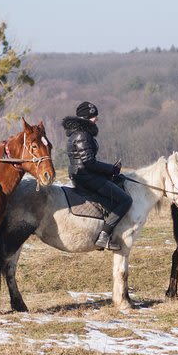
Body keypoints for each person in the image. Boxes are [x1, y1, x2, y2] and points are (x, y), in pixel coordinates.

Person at [62, 101, 132, 251]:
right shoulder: (82, 134)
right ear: (85, 118)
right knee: (126, 200)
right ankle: (104, 237)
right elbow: (89, 162)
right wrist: (111, 169)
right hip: (86, 177)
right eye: (93, 116)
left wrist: (111, 171)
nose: (96, 119)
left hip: (84, 175)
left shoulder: (80, 133)